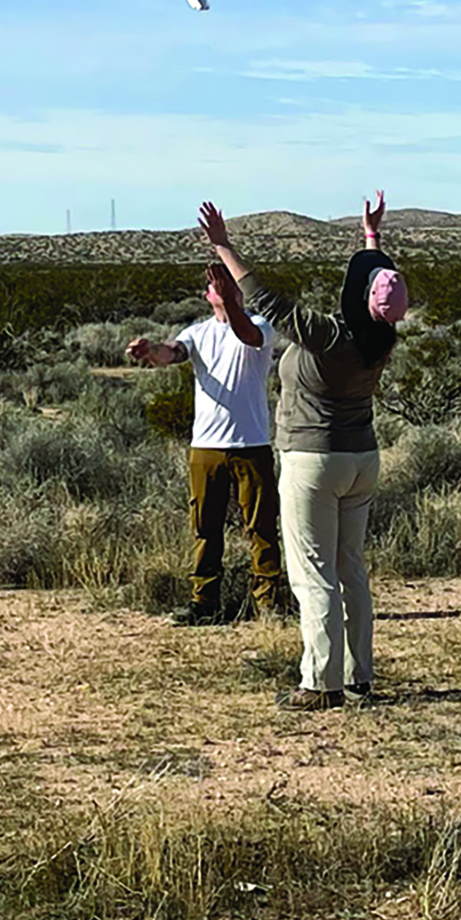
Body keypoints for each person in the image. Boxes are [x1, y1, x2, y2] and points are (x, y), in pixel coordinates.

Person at [194, 191, 406, 708]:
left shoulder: (328, 335)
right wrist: (371, 237)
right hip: (362, 459)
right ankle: (359, 679)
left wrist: (223, 245)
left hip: (314, 462)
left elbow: (264, 299)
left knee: (313, 574)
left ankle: (320, 683)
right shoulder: (381, 337)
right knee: (350, 569)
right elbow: (381, 289)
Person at [123, 261, 289, 629]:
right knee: (205, 525)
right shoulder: (197, 333)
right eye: (214, 284)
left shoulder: (259, 326)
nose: (218, 286)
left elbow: (245, 334)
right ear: (206, 296)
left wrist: (232, 300)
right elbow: (174, 352)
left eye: (225, 282)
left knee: (260, 526)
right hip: (207, 446)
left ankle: (267, 604)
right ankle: (205, 601)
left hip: (252, 443)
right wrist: (151, 351)